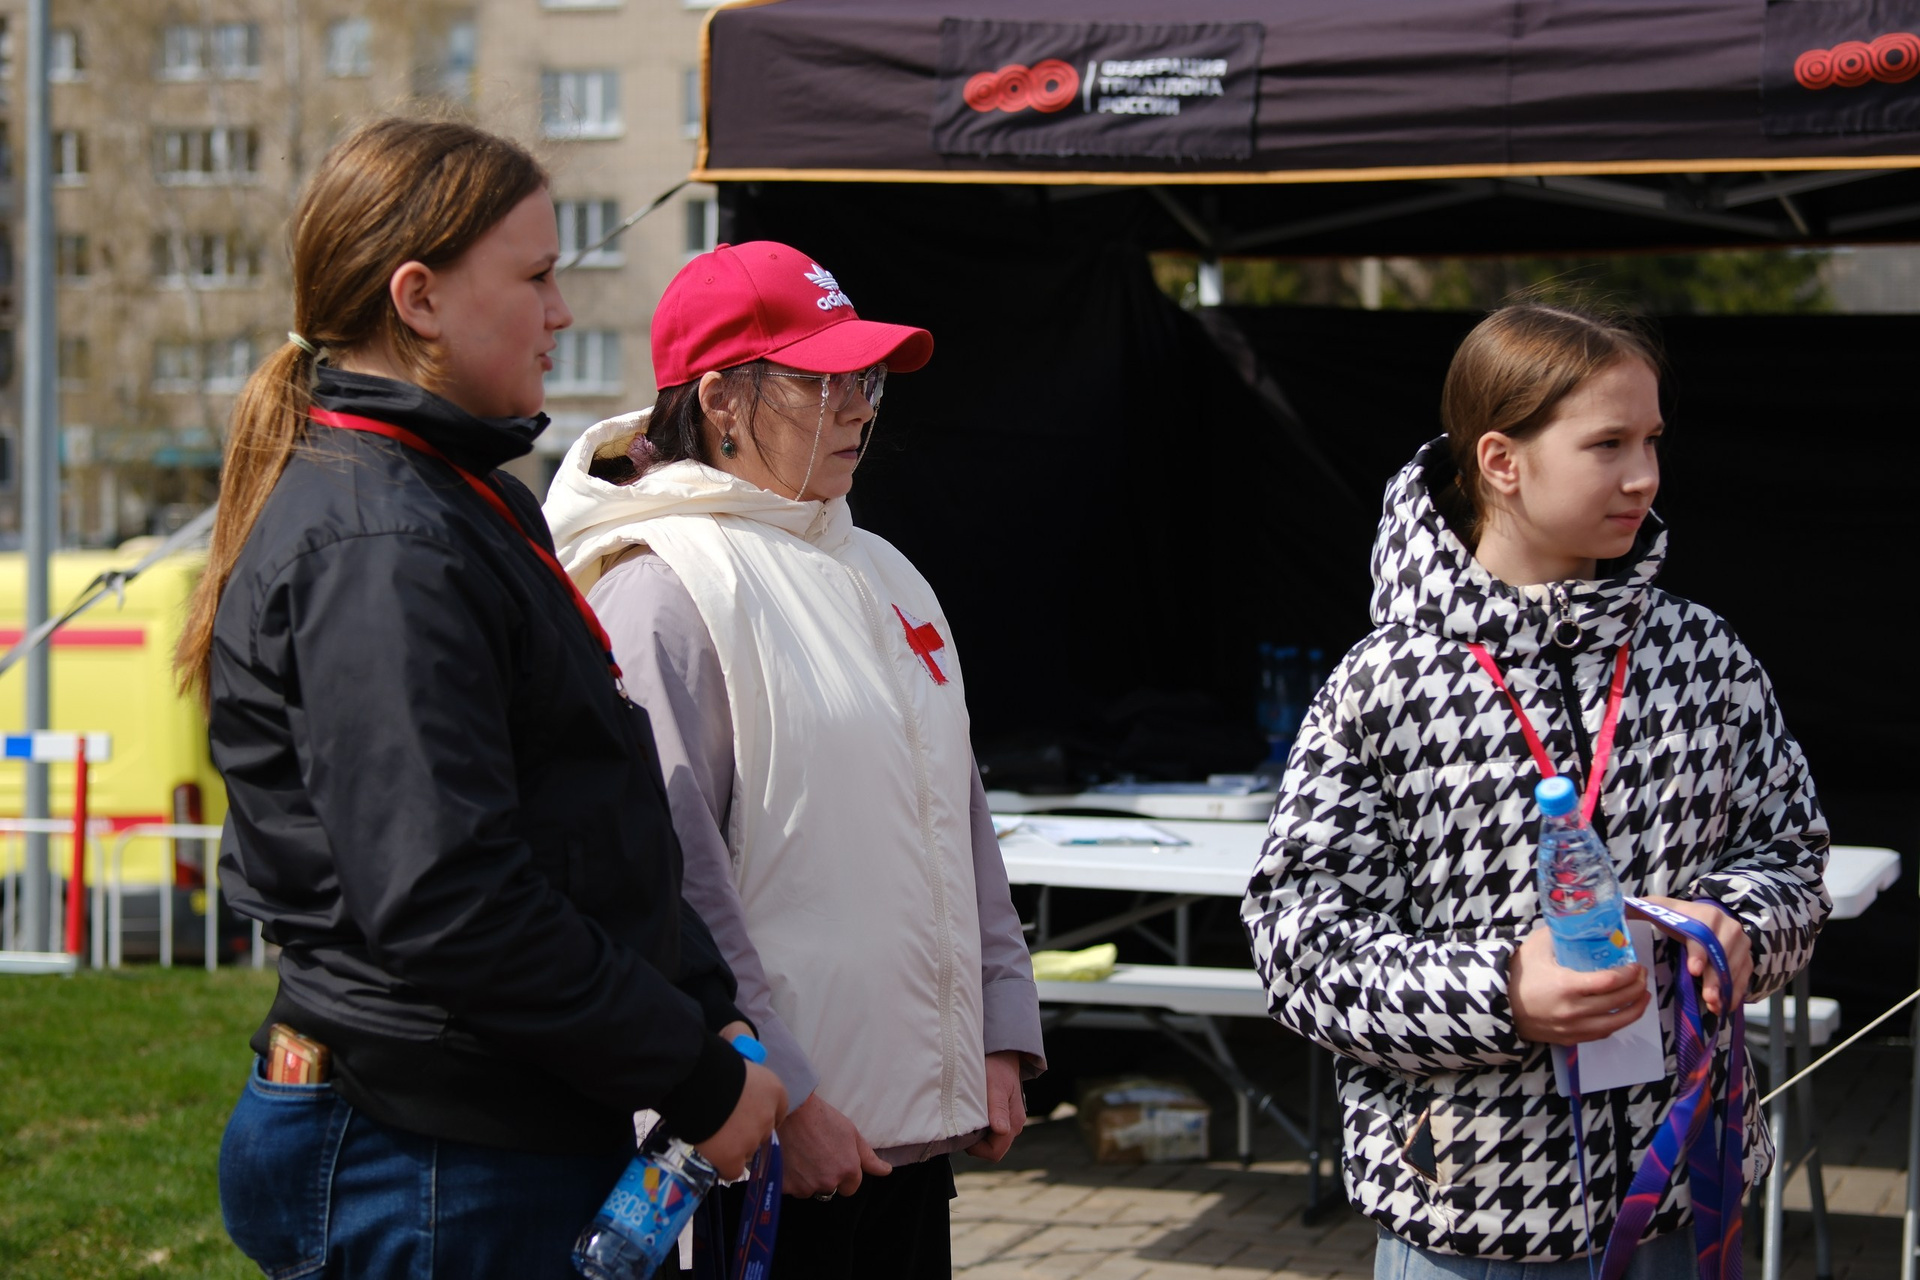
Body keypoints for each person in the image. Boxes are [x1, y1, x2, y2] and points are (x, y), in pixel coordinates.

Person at [182, 119, 785, 1279]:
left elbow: (579, 819)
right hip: (430, 1156)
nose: (561, 310)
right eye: (538, 275)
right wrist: (697, 1072)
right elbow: (450, 897)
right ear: (419, 298)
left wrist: (706, 1004)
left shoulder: (454, 496)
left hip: (479, 1133)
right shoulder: (385, 543)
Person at [1241, 303, 1830, 1278]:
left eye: (1652, 440)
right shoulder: (1386, 685)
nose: (1644, 475)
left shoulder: (1704, 655)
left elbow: (1792, 860)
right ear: (1502, 462)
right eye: (1608, 443)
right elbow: (1300, 947)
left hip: (1683, 1197)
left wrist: (1741, 925)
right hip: (1468, 1219)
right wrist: (1502, 992)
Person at [543, 240, 1044, 1278]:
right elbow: (672, 885)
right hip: (763, 1160)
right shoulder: (662, 590)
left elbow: (958, 819)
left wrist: (999, 1032)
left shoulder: (885, 568)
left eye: (869, 380)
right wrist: (786, 1098)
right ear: (722, 399)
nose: (860, 407)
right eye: (825, 381)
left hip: (908, 1140)